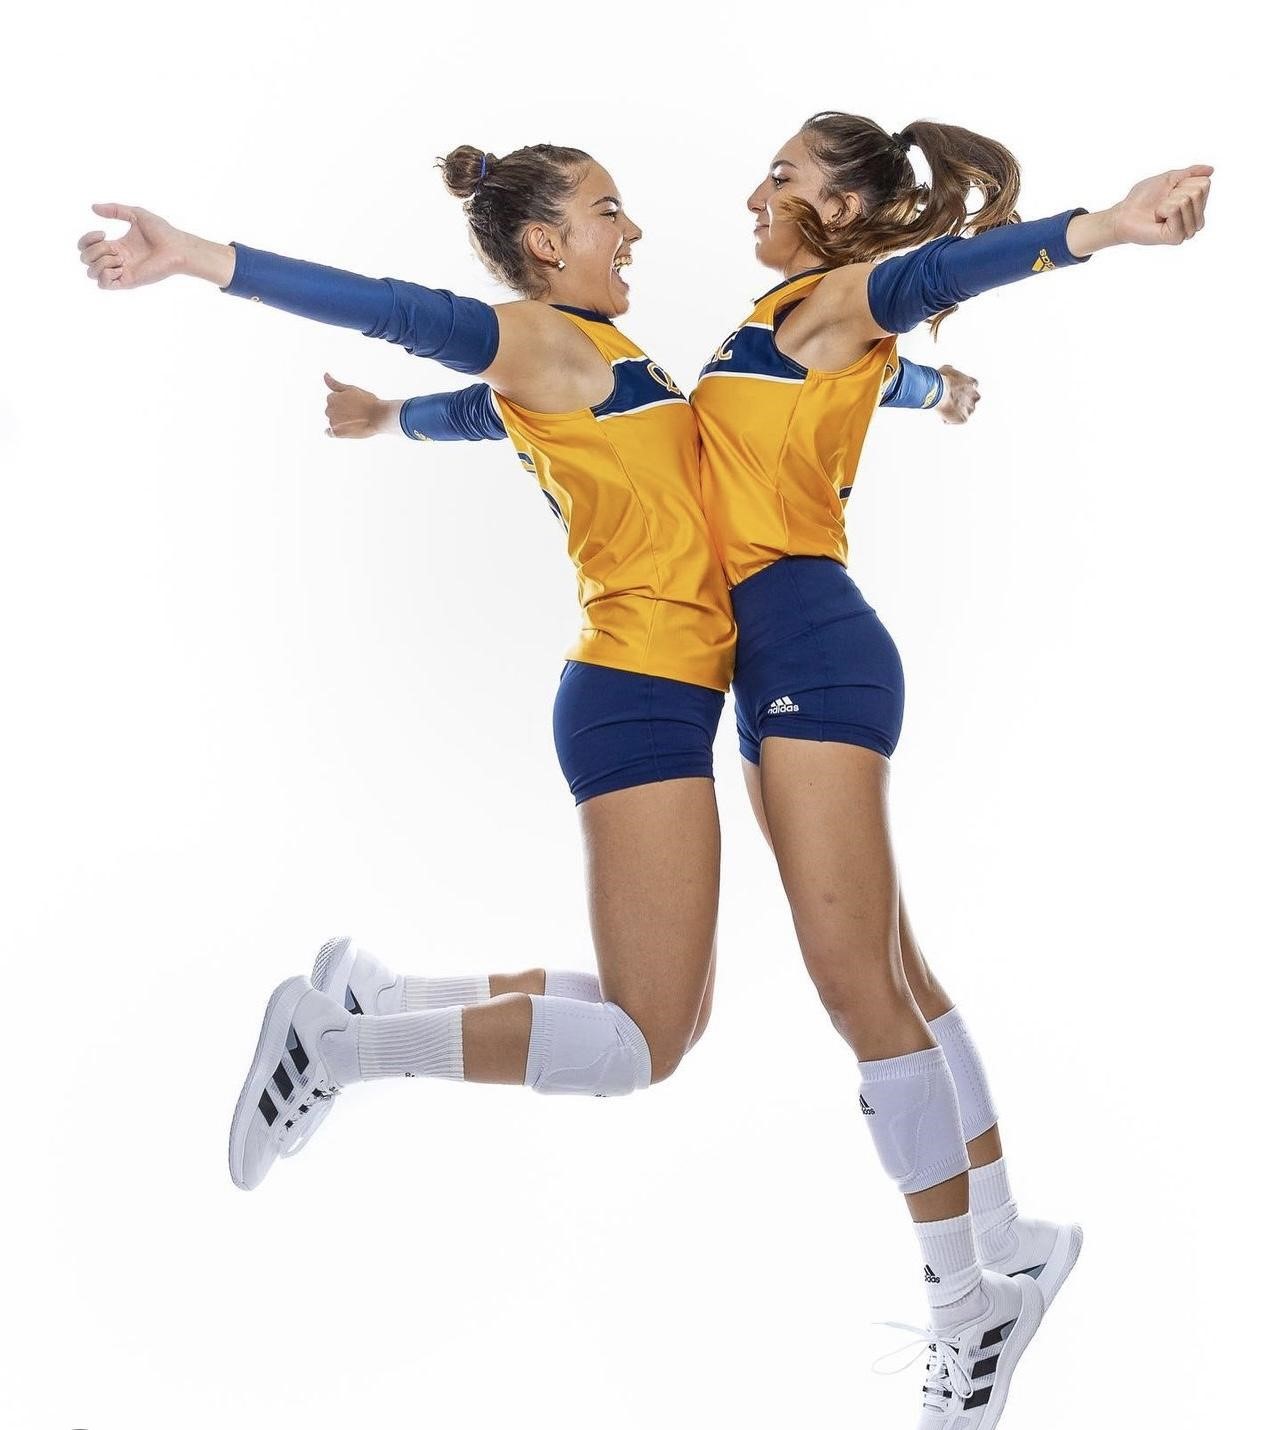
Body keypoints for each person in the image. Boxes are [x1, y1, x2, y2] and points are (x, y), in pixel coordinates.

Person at [79, 143, 744, 1193]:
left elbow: (478, 414)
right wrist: (199, 256)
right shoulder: (540, 335)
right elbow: (393, 309)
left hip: (657, 687)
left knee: (664, 1020)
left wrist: (385, 417)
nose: (632, 231)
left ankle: (383, 1000)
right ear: (546, 241)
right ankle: (337, 1050)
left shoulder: (589, 355)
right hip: (641, 689)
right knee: (640, 1046)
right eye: (608, 209)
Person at [686, 112, 1210, 1428]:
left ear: (842, 212)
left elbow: (931, 277)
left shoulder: (837, 294)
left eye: (782, 176)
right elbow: (867, 376)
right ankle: (1009, 1236)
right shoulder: (791, 324)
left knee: (851, 983)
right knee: (898, 975)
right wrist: (938, 392)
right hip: (772, 662)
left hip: (807, 646)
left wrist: (1102, 228)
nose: (754, 192)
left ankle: (964, 1305)